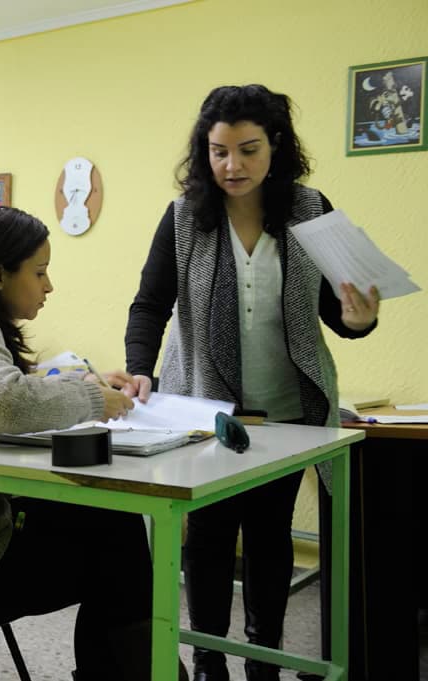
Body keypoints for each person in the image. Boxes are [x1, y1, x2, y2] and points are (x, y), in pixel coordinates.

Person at [123, 84, 380, 681]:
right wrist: (140, 365)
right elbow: (150, 303)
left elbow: (339, 310)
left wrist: (358, 319)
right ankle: (209, 660)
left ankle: (264, 659)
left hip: (287, 411)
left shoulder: (311, 210)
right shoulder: (185, 218)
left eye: (247, 149)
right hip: (204, 408)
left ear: (276, 148)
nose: (231, 166)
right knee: (210, 536)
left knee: (268, 537)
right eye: (217, 152)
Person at [0, 206, 183, 681]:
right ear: (0, 275)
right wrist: (88, 396)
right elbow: (5, 403)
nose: (48, 285)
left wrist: (73, 379)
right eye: (39, 272)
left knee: (106, 526)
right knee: (116, 537)